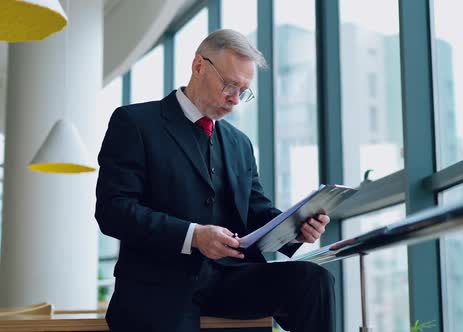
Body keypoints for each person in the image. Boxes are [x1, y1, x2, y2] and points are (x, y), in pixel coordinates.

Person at [95, 29, 335, 332]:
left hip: (231, 280)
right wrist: (194, 236)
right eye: (229, 85)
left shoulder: (240, 143)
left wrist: (296, 230)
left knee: (313, 280)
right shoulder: (135, 123)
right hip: (160, 285)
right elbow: (113, 211)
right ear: (198, 66)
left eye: (243, 91)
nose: (234, 100)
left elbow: (257, 213)